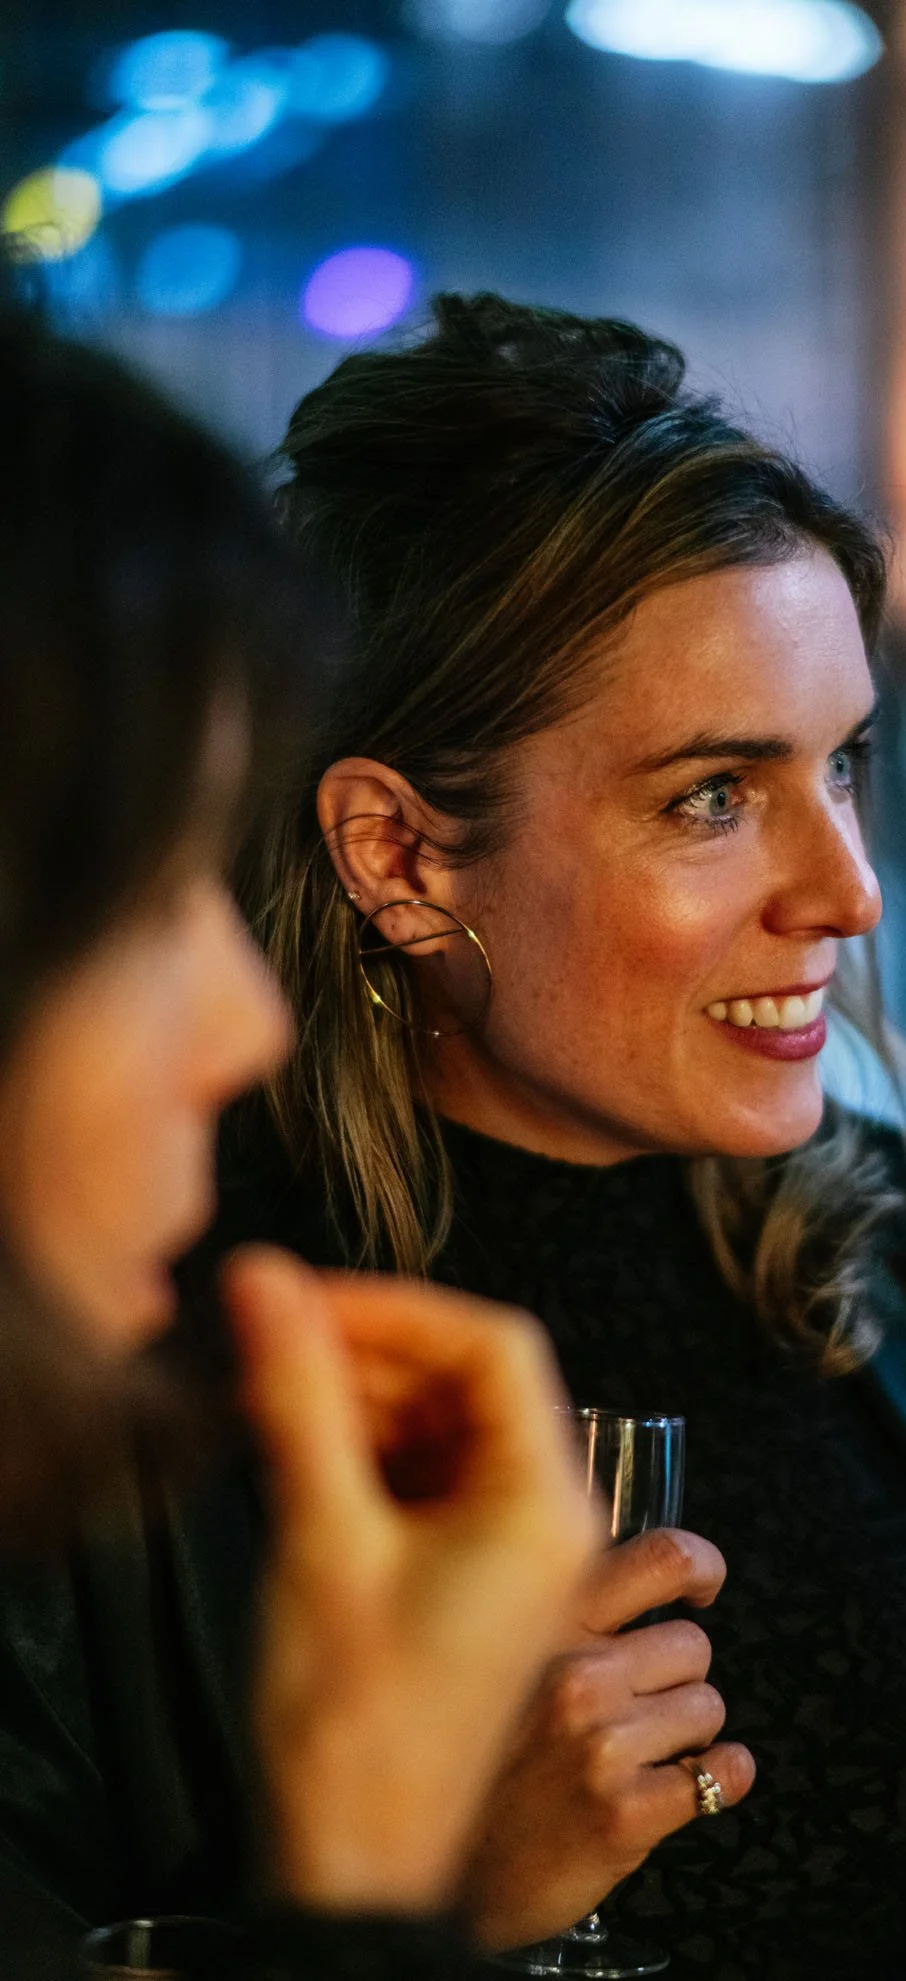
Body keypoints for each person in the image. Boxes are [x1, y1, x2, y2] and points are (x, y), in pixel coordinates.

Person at [0, 292, 906, 1980]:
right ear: (400, 860)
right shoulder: (97, 1367)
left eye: (844, 765)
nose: (847, 891)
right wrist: (423, 1899)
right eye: (712, 795)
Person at [0, 299, 603, 1979]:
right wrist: (371, 1890)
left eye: (851, 764)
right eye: (141, 893)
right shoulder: (165, 1431)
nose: (244, 1017)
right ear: (394, 857)